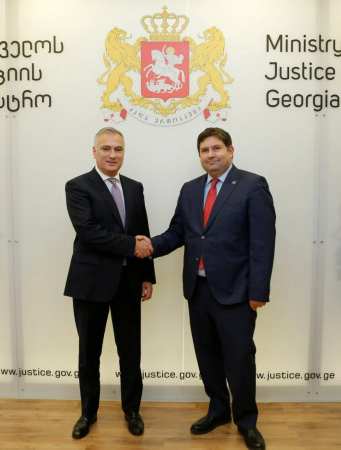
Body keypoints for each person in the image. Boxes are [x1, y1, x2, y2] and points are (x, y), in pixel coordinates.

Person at [140, 127, 275, 449]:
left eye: (216, 148)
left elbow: (262, 243)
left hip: (237, 292)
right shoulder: (190, 190)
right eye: (204, 150)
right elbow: (178, 233)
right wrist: (149, 246)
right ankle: (218, 410)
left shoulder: (252, 185)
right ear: (199, 155)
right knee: (207, 356)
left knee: (239, 358)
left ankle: (247, 421)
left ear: (230, 150)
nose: (211, 155)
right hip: (198, 290)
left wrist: (258, 292)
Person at [64, 127, 155, 440]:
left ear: (124, 153)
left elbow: (142, 229)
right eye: (106, 149)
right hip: (90, 284)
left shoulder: (134, 187)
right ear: (94, 152)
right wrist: (131, 245)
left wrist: (146, 275)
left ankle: (132, 411)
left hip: (129, 282)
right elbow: (88, 231)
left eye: (118, 149)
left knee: (130, 352)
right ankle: (88, 414)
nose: (112, 155)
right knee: (89, 354)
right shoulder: (78, 186)